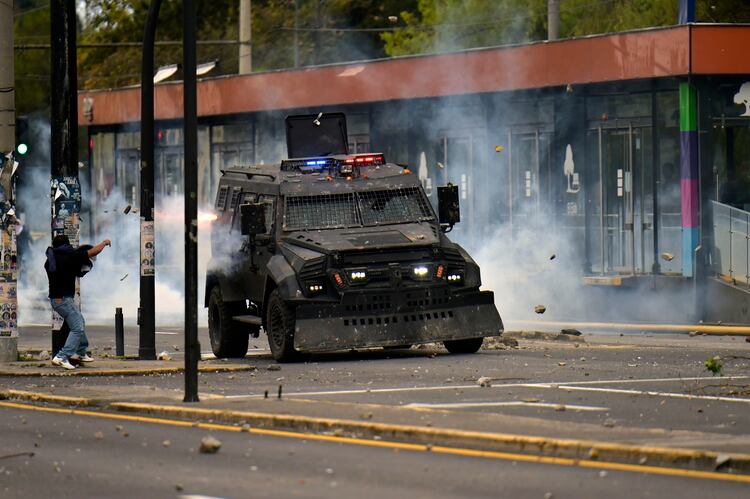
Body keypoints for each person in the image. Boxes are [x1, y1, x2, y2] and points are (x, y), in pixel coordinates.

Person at [45, 235, 111, 370]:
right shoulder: (69, 256)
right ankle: (61, 357)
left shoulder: (51, 259)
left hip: (57, 300)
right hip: (63, 299)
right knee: (77, 327)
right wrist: (104, 242)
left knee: (79, 321)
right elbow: (92, 252)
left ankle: (81, 352)